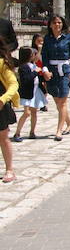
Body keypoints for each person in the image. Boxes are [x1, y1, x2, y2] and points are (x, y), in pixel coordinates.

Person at [42, 15, 70, 142]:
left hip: (65, 72)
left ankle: (58, 130)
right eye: (55, 23)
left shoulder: (68, 38)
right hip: (52, 72)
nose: (57, 25)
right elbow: (44, 57)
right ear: (50, 25)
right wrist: (45, 71)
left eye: (59, 22)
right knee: (58, 102)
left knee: (63, 102)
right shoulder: (47, 39)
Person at [13, 47, 44, 142]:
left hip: (35, 91)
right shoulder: (23, 67)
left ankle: (32, 132)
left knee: (34, 112)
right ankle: (17, 133)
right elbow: (26, 80)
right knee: (27, 113)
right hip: (27, 93)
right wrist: (35, 72)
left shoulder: (33, 65)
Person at [0, 37, 19, 183]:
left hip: (0, 104)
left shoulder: (2, 64)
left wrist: (4, 98)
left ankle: (10, 169)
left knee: (3, 137)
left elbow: (13, 84)